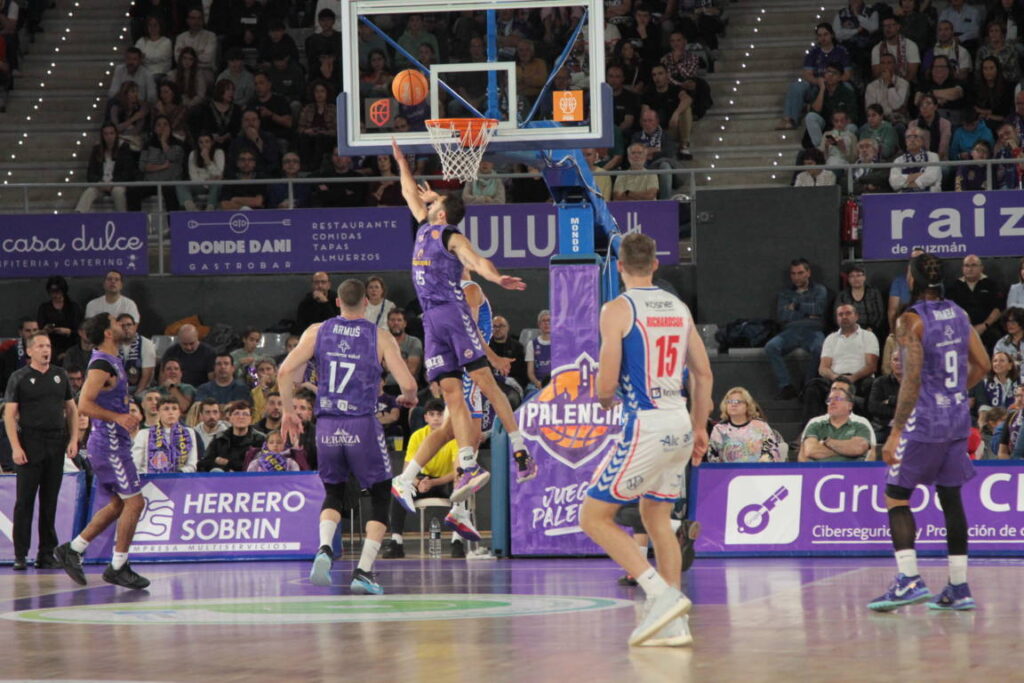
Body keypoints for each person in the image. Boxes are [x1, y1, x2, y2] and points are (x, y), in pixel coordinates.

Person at [579, 232, 712, 648]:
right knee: (657, 518)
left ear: (619, 267)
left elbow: (606, 381)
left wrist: (603, 399)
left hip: (647, 423)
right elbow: (704, 374)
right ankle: (676, 625)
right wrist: (702, 426)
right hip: (680, 422)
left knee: (592, 517)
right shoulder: (679, 308)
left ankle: (660, 593)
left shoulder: (617, 309)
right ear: (655, 264)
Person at [389, 138, 537, 503]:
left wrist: (496, 277)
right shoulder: (425, 225)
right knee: (451, 390)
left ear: (442, 212)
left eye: (435, 201)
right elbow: (409, 191)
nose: (427, 199)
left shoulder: (449, 234)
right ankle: (461, 466)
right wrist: (401, 161)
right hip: (432, 322)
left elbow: (474, 259)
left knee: (485, 381)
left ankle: (518, 449)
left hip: (453, 315)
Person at [278, 279, 418, 595]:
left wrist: (288, 411)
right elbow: (408, 384)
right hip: (361, 424)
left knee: (334, 491)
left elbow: (286, 372)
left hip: (327, 426)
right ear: (366, 304)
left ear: (337, 302)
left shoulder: (316, 331)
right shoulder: (379, 336)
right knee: (381, 494)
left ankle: (325, 548)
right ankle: (364, 571)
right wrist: (408, 398)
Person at [870, 253, 989, 612]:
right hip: (956, 420)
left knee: (896, 495)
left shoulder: (910, 321)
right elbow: (982, 364)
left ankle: (908, 579)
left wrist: (895, 432)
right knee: (951, 498)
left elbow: (911, 381)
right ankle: (958, 586)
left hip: (925, 423)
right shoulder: (959, 313)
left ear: (911, 279)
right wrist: (954, 394)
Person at [55, 313, 149, 590]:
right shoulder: (100, 364)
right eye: (117, 323)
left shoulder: (113, 360)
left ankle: (74, 548)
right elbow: (83, 404)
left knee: (120, 503)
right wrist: (118, 417)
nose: (124, 326)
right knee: (135, 502)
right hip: (109, 445)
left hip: (112, 444)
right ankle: (118, 566)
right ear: (108, 333)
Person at [3, 332, 78, 570]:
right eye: (41, 346)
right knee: (24, 501)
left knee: (49, 500)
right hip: (30, 442)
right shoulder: (20, 377)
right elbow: (9, 415)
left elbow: (72, 410)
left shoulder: (60, 375)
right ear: (30, 351)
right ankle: (20, 554)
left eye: (48, 346)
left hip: (56, 441)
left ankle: (46, 553)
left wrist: (73, 439)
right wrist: (16, 447)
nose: (46, 350)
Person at [382, 399, 459, 559]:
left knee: (460, 483)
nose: (436, 418)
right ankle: (396, 541)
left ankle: (456, 541)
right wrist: (418, 482)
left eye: (440, 414)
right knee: (399, 487)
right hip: (422, 480)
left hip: (444, 482)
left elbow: (456, 472)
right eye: (432, 414)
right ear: (426, 418)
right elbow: (406, 470)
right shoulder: (417, 436)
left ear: (446, 417)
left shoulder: (454, 435)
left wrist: (433, 483)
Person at [765, 258, 828, 400]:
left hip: (813, 330)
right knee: (771, 346)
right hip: (790, 331)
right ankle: (786, 386)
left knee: (820, 348)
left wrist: (796, 307)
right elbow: (782, 315)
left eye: (800, 273)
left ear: (808, 273)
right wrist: (808, 312)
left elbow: (819, 309)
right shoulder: (785, 293)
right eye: (793, 274)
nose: (796, 277)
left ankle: (808, 386)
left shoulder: (819, 290)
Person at [798, 386, 874, 462]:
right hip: (820, 472)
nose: (832, 403)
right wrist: (847, 450)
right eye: (829, 400)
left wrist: (827, 442)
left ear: (850, 406)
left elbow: (857, 448)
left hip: (852, 472)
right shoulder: (815, 426)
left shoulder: (861, 427)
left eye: (838, 399)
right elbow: (811, 450)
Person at [707, 387, 782, 463]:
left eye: (738, 401)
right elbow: (712, 457)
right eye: (729, 401)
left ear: (747, 405)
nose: (733, 404)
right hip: (727, 473)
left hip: (757, 471)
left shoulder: (761, 426)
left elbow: (773, 453)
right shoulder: (719, 429)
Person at [76, 123, 135, 213]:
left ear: (116, 134)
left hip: (117, 184)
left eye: (111, 133)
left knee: (118, 192)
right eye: (106, 134)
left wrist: (113, 183)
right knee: (89, 191)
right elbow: (90, 174)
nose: (109, 136)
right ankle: (78, 216)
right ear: (102, 136)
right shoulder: (97, 149)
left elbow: (127, 172)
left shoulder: (124, 149)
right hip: (101, 184)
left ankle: (123, 218)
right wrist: (100, 183)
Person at [132, 398, 198, 473]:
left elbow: (192, 464)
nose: (171, 412)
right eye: (166, 409)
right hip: (150, 480)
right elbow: (135, 464)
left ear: (179, 412)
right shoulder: (144, 434)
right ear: (158, 412)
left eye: (174, 409)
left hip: (180, 479)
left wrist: (178, 473)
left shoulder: (189, 432)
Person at [198, 401, 264, 471]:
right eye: (236, 414)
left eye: (245, 414)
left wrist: (228, 463)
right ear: (230, 418)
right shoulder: (219, 438)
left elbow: (259, 465)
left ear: (251, 419)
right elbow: (203, 463)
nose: (241, 417)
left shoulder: (260, 440)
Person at [36, 276, 83, 360]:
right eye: (52, 292)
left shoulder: (74, 307)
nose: (55, 295)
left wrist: (69, 332)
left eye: (58, 292)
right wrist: (46, 330)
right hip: (51, 347)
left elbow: (81, 329)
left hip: (72, 346)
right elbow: (39, 330)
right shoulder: (44, 308)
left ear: (63, 291)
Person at [836, 263, 886, 336]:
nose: (856, 279)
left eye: (859, 275)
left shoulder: (874, 293)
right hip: (849, 330)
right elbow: (838, 315)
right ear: (848, 279)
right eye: (852, 276)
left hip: (871, 330)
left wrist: (871, 328)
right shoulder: (842, 295)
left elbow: (879, 314)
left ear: (864, 277)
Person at [889, 127, 942, 192]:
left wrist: (905, 183)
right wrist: (917, 175)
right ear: (905, 141)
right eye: (909, 137)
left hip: (930, 197)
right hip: (904, 198)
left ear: (922, 141)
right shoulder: (898, 160)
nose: (912, 140)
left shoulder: (933, 156)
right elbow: (894, 183)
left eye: (916, 136)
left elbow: (931, 178)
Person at [869, 349, 902, 442]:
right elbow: (873, 407)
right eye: (895, 360)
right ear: (890, 363)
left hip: (909, 427)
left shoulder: (915, 383)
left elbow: (916, 405)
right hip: (884, 426)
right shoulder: (880, 382)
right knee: (870, 444)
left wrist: (890, 401)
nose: (899, 363)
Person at [117, 314, 155, 395]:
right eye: (122, 326)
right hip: (117, 388)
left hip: (140, 387)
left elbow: (147, 376)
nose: (126, 328)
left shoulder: (146, 344)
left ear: (135, 326)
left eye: (129, 325)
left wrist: (135, 395)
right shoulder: (112, 343)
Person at [525, 309, 552, 389]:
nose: (546, 323)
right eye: (543, 321)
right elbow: (530, 372)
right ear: (539, 324)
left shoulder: (560, 344)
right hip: (537, 384)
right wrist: (538, 383)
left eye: (549, 320)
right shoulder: (532, 344)